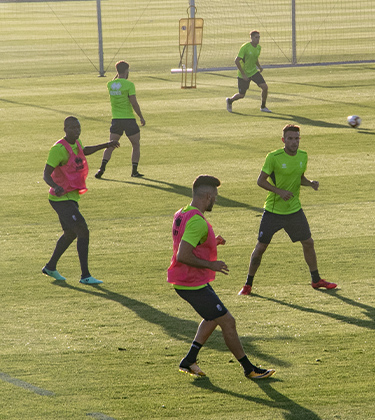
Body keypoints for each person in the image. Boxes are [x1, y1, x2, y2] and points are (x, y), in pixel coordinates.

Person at [168, 175, 275, 379]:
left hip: (188, 280)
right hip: (191, 283)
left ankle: (189, 360)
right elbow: (183, 254)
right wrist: (212, 264)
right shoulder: (197, 222)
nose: (216, 200)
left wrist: (211, 242)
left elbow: (186, 242)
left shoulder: (182, 213)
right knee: (227, 321)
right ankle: (249, 369)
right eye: (215, 196)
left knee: (212, 318)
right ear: (207, 196)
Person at [238, 124, 336, 295]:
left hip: (294, 210)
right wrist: (279, 191)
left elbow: (299, 178)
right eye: (290, 139)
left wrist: (310, 183)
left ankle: (316, 280)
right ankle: (248, 284)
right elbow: (260, 181)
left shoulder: (303, 156)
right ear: (283, 140)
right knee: (261, 247)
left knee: (308, 242)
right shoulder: (273, 157)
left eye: (297, 138)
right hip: (274, 211)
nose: (294, 142)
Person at [42, 116, 120, 284]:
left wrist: (106, 145)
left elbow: (85, 150)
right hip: (60, 199)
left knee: (70, 233)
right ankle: (85, 276)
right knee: (83, 230)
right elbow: (46, 174)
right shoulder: (58, 149)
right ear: (65, 129)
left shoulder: (76, 143)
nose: (76, 131)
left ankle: (50, 267)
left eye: (78, 128)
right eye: (72, 128)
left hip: (71, 196)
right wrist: (55, 186)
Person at [95, 60, 146, 179]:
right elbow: (134, 103)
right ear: (127, 71)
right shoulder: (129, 85)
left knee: (110, 145)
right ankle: (134, 171)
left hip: (116, 120)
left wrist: (118, 75)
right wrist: (141, 116)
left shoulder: (110, 85)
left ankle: (101, 169)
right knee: (136, 144)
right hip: (128, 119)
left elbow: (114, 81)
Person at [227, 30, 271, 113]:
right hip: (244, 74)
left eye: (259, 37)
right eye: (256, 37)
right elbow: (237, 61)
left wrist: (259, 66)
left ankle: (263, 106)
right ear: (251, 38)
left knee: (265, 87)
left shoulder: (258, 47)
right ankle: (230, 101)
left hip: (253, 72)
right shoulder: (245, 47)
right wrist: (243, 74)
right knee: (241, 95)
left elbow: (255, 58)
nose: (258, 39)